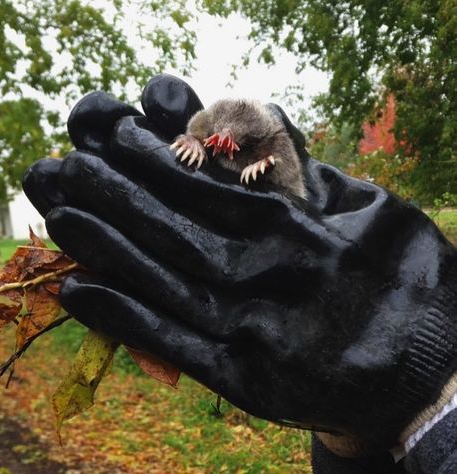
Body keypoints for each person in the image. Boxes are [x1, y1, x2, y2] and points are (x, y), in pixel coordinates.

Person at [23, 74, 457, 473]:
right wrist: (355, 435)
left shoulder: (268, 144)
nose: (224, 142)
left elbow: (277, 163)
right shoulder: (204, 132)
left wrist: (435, 384)